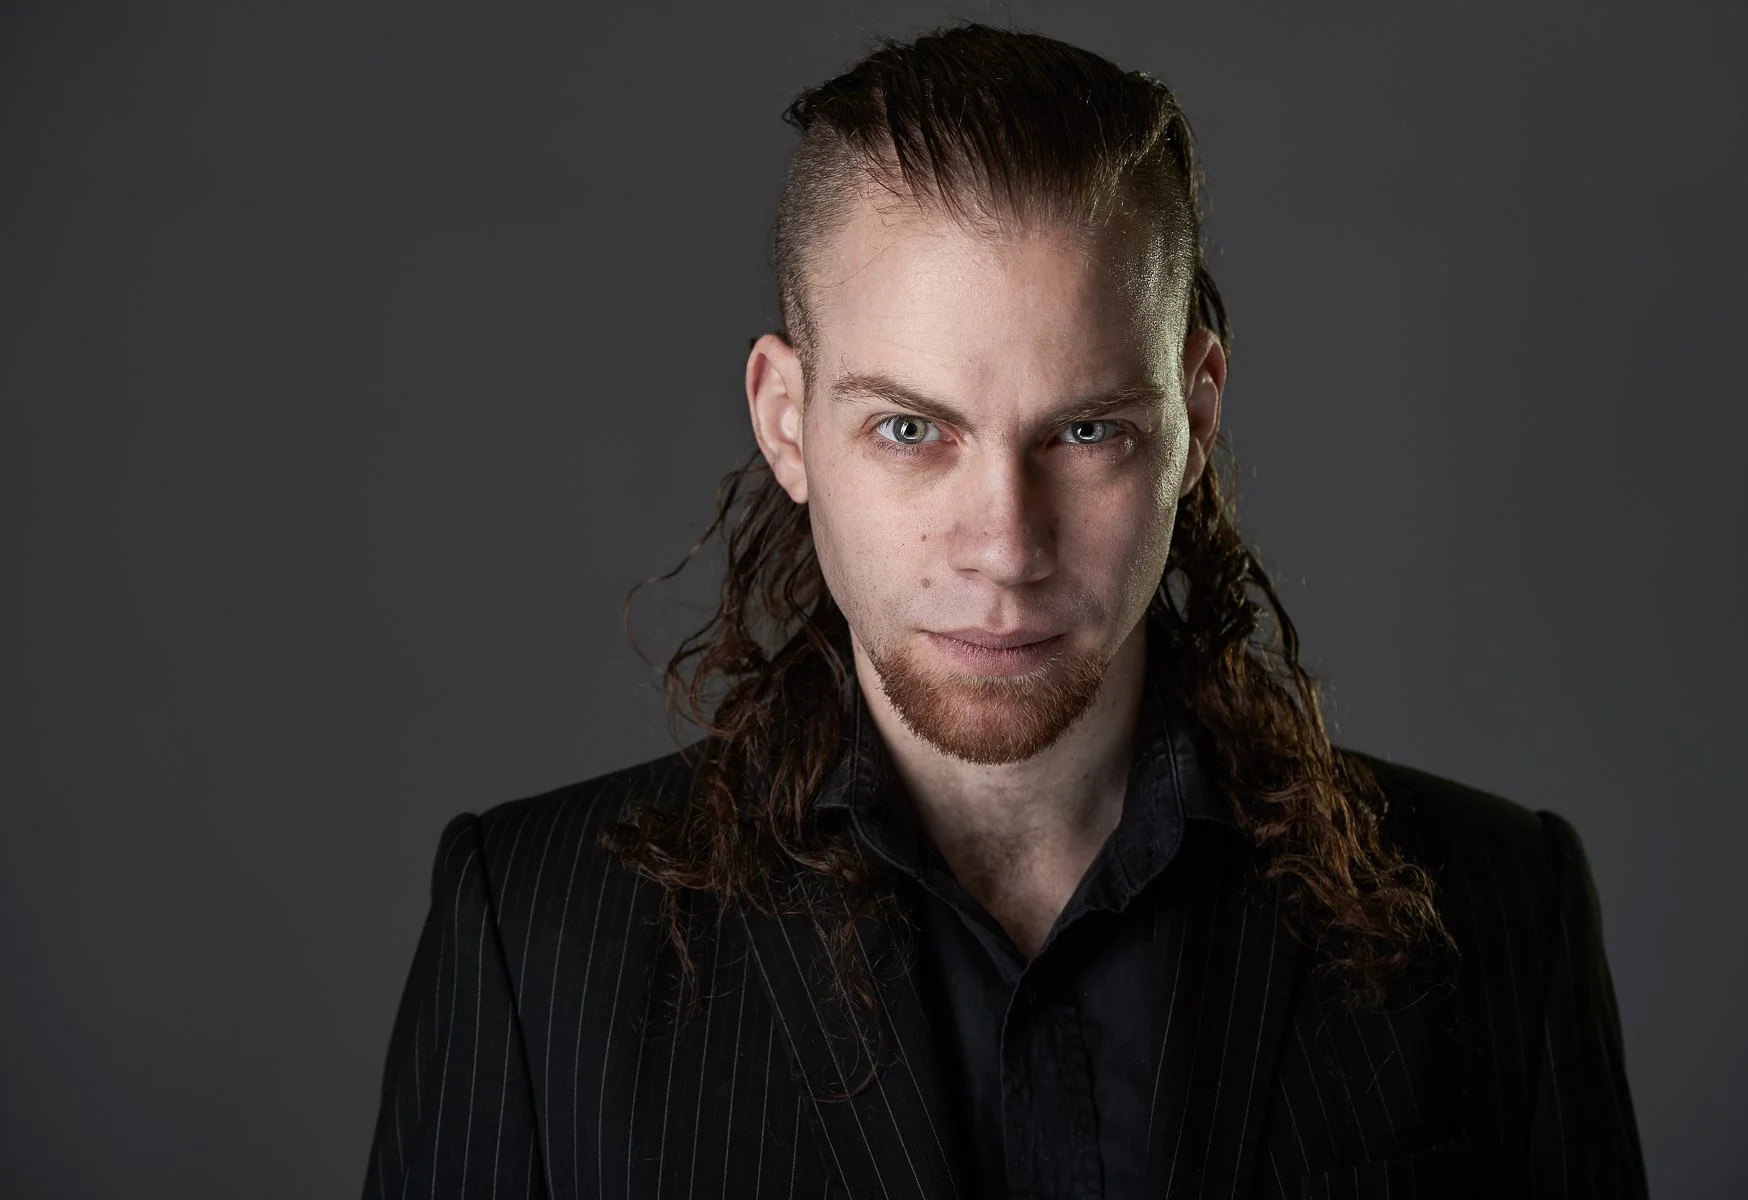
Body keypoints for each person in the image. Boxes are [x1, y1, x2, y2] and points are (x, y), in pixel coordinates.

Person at [360, 22, 1646, 1199]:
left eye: (1086, 432)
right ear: (786, 424)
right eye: (910, 429)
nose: (1005, 549)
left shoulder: (1501, 912)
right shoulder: (531, 942)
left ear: (1194, 418)